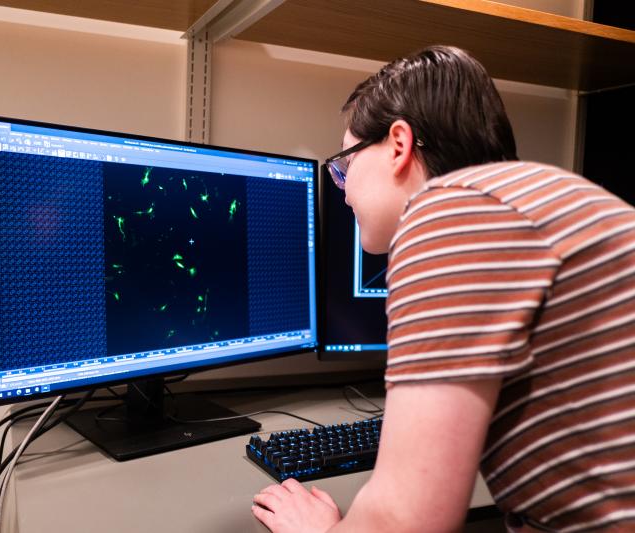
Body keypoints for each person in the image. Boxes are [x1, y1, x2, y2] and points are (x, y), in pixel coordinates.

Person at [251, 45, 635, 532]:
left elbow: (406, 523)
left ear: (398, 144)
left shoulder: (448, 216)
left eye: (344, 164)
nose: (342, 190)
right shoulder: (536, 196)